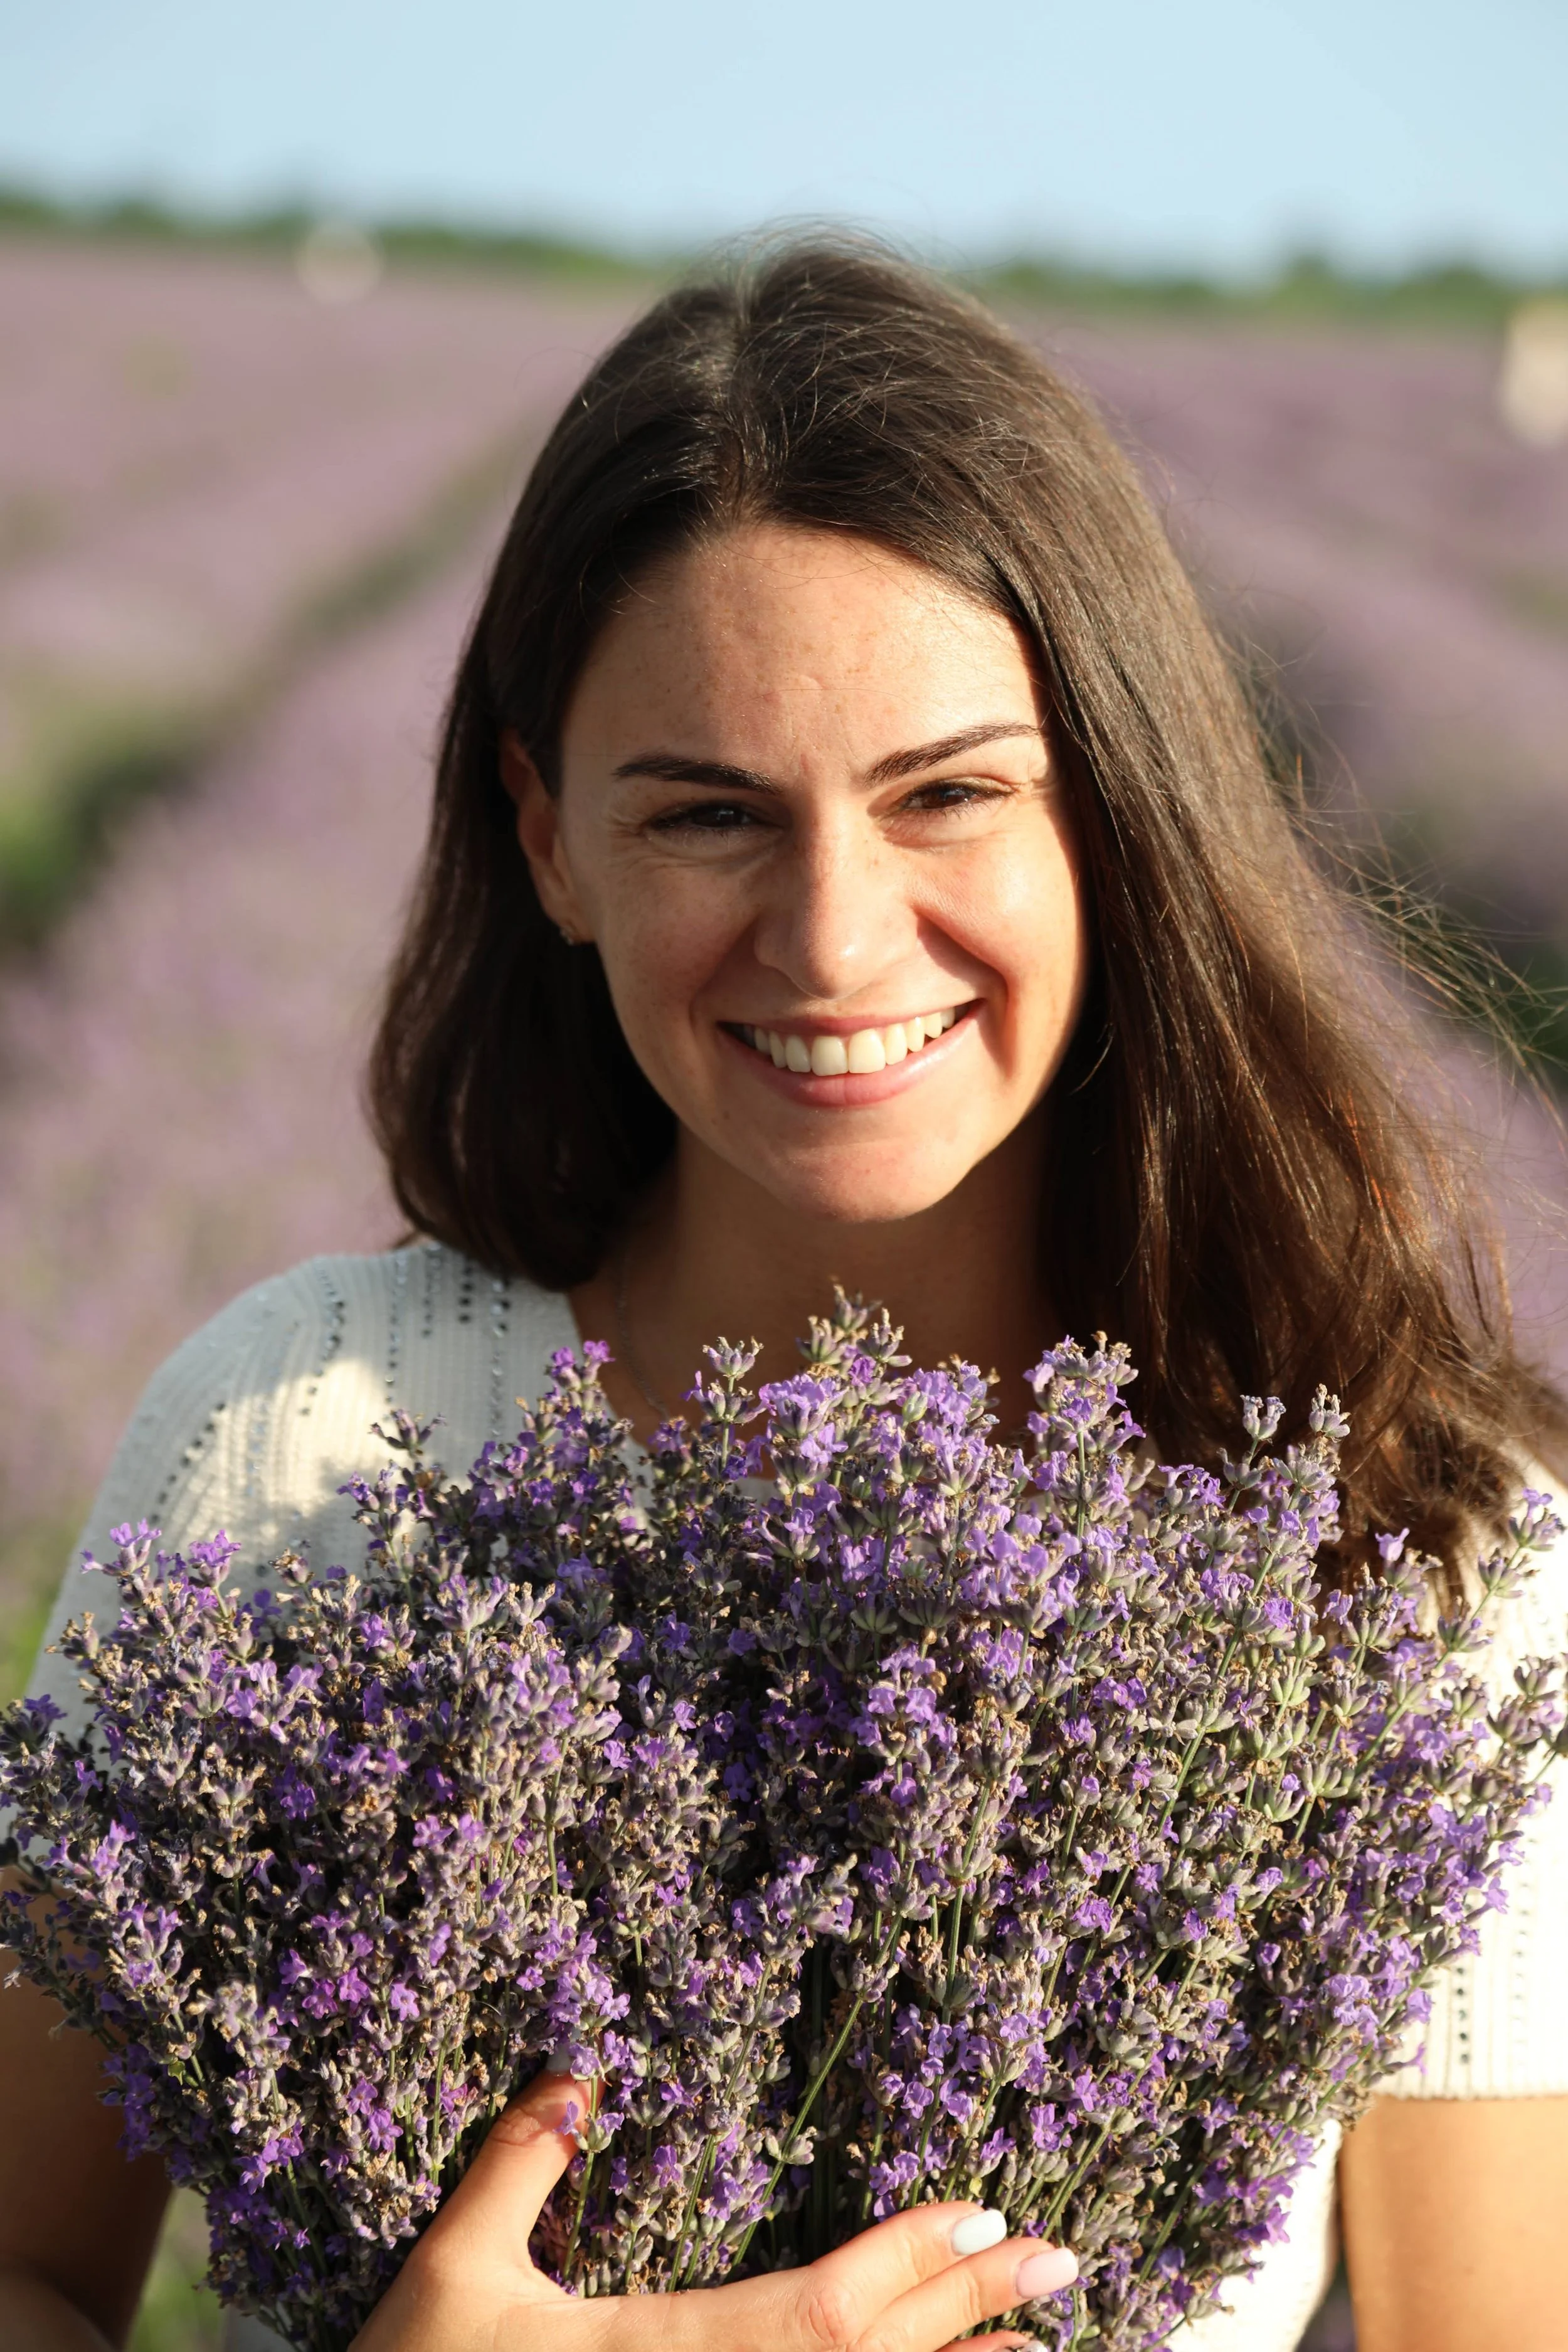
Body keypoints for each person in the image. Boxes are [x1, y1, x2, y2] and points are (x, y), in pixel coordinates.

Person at [3, 239, 1565, 2352]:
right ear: (548, 842)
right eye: (709, 814)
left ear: (1117, 809)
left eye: (947, 794)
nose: (834, 939)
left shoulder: (1414, 1547)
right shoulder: (295, 1439)